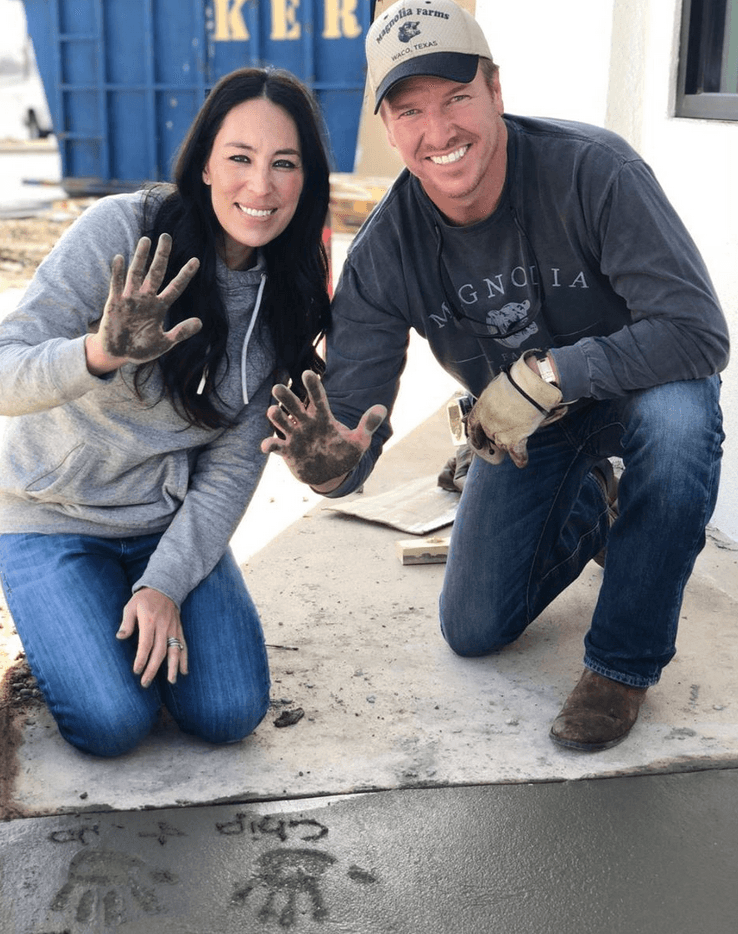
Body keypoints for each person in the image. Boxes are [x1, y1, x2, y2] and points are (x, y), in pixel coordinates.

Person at [261, 0, 729, 752]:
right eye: (410, 110)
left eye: (455, 98)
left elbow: (699, 333)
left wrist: (552, 374)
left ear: (495, 90)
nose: (438, 131)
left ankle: (621, 666)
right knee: (473, 628)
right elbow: (352, 428)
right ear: (387, 127)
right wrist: (329, 466)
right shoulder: (385, 253)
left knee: (679, 431)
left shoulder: (593, 171)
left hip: (642, 388)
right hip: (525, 431)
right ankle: (597, 508)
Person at [0, 66, 331, 757]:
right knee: (112, 723)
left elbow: (233, 469)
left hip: (162, 520)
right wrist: (98, 353)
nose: (260, 186)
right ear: (205, 164)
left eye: (284, 164)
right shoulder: (122, 233)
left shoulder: (289, 298)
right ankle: (68, 625)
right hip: (50, 516)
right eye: (239, 158)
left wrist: (165, 584)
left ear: (308, 179)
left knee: (229, 711)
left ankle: (119, 608)